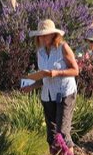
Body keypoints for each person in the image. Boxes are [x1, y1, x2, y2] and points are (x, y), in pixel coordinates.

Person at [22, 19, 80, 148]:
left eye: (46, 34)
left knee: (63, 134)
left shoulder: (63, 48)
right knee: (51, 135)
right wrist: (31, 86)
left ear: (54, 34)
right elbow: (44, 77)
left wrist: (56, 73)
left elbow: (76, 70)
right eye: (41, 35)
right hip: (48, 95)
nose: (43, 38)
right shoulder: (40, 52)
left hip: (65, 92)